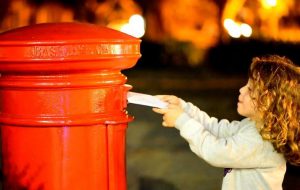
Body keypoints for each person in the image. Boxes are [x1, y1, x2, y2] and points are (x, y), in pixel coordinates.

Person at [153, 55, 300, 190]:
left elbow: (215, 151)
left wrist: (182, 121)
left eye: (250, 89)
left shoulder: (261, 142)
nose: (241, 90)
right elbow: (215, 128)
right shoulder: (253, 126)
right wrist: (183, 107)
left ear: (268, 100)